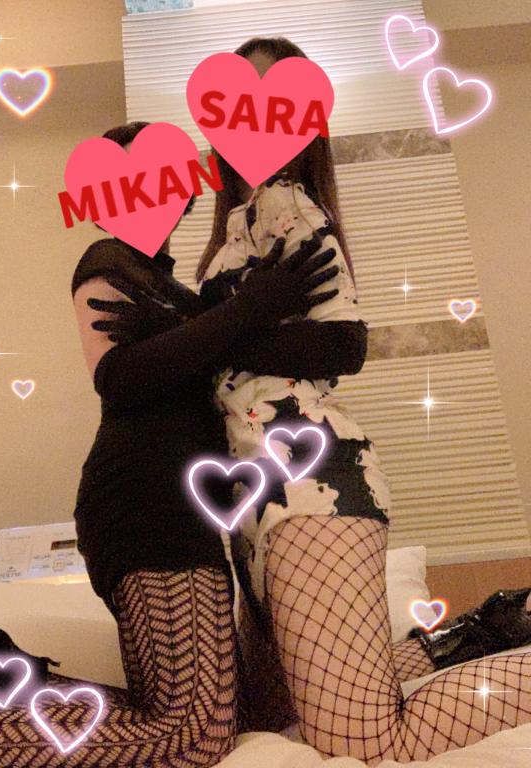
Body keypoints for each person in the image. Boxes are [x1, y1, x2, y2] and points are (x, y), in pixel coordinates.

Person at [0, 121, 339, 767]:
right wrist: (247, 309)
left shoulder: (176, 294)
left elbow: (315, 348)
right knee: (193, 736)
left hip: (181, 509)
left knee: (207, 713)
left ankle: (9, 691)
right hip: (145, 504)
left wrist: (231, 314)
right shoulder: (107, 261)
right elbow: (119, 378)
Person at [195, 35, 531, 764]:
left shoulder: (286, 203)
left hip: (308, 483)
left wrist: (216, 337)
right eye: (237, 99)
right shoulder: (236, 224)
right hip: (260, 493)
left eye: (271, 96)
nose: (252, 113)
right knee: (291, 714)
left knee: (365, 741)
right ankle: (486, 632)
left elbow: (342, 344)